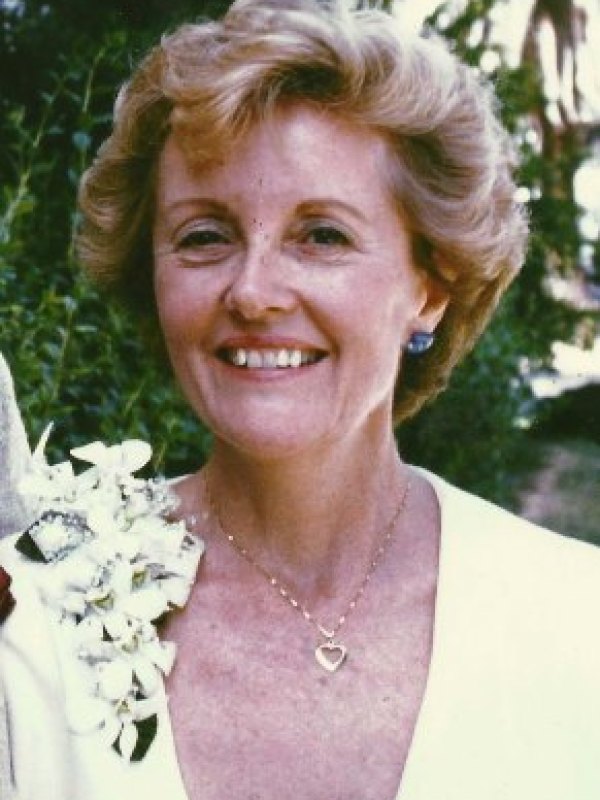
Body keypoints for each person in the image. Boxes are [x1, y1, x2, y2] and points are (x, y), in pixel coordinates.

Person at [2, 1, 600, 798]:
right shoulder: (35, 619)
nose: (253, 292)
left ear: (431, 286)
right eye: (204, 236)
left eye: (322, 235)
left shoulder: (578, 620)